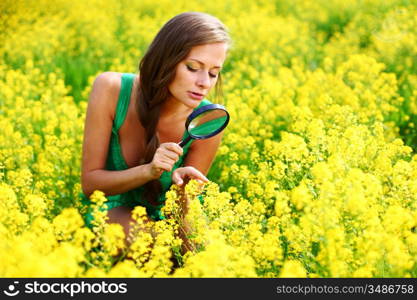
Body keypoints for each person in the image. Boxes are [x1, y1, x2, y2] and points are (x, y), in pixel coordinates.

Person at [79, 12, 231, 250]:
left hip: (170, 219)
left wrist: (184, 191)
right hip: (111, 209)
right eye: (193, 67)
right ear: (165, 60)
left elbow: (183, 223)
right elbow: (90, 185)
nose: (204, 83)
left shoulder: (207, 121)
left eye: (213, 73)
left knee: (202, 259)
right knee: (156, 247)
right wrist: (149, 171)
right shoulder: (110, 89)